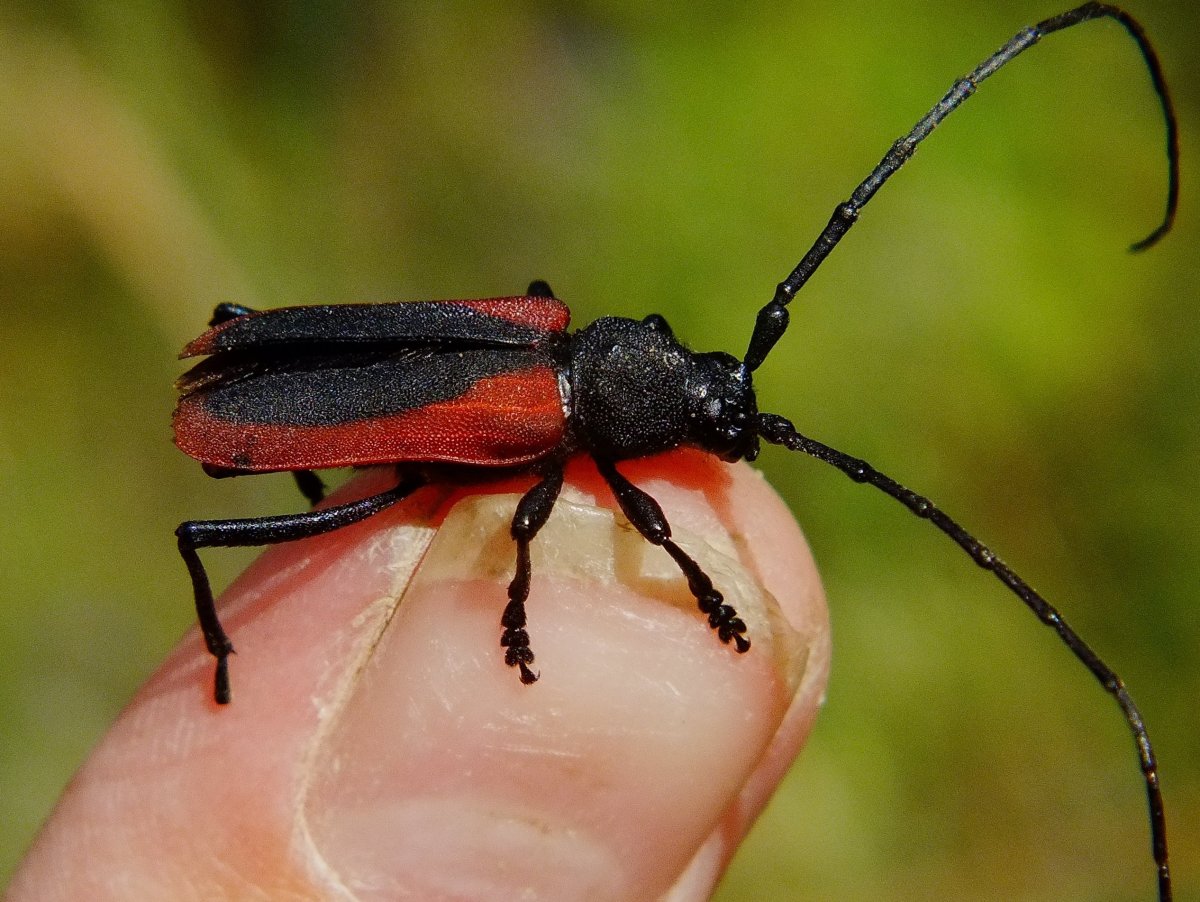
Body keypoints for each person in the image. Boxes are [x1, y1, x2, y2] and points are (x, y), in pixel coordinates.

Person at [8, 452, 829, 900]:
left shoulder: (556, 346)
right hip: (307, 422)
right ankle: (225, 644)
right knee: (203, 534)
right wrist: (515, 612)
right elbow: (539, 524)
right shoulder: (538, 411)